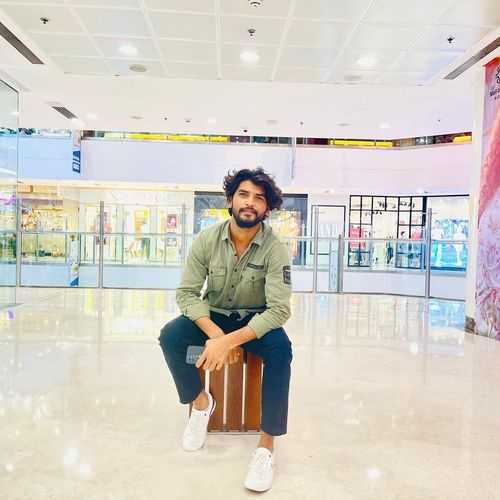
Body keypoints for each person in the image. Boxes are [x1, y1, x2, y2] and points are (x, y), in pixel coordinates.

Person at [158, 168, 293, 492]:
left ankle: (266, 447)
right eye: (243, 194)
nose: (250, 203)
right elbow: (187, 294)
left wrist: (232, 340)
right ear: (230, 200)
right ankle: (201, 405)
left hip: (256, 320)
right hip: (214, 316)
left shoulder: (276, 249)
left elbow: (279, 309)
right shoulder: (206, 240)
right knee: (171, 336)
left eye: (259, 198)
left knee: (281, 351)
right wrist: (216, 336)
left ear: (267, 208)